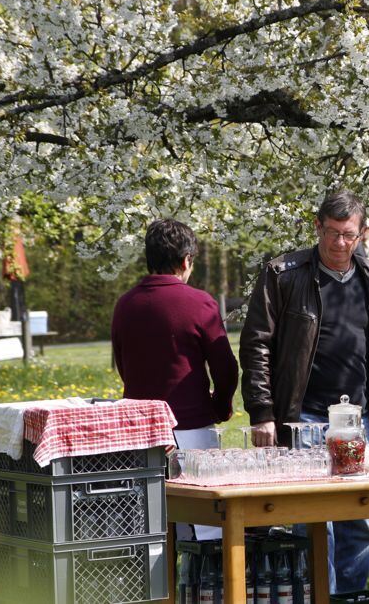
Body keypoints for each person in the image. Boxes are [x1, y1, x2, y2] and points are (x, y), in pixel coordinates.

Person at [239, 189, 369, 593]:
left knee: (359, 522)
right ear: (317, 227)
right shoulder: (283, 273)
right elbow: (256, 342)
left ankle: (348, 595)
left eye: (349, 235)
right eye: (332, 233)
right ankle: (319, 596)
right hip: (303, 416)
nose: (340, 243)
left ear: (363, 234)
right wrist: (262, 411)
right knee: (313, 523)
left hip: (358, 417)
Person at [112, 219, 239, 540]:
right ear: (186, 260)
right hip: (191, 427)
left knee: (152, 529)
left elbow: (123, 365)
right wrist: (220, 406)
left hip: (138, 432)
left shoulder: (125, 305)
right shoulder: (199, 303)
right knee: (206, 530)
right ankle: (202, 590)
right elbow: (225, 367)